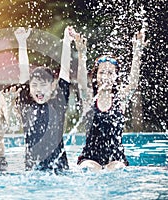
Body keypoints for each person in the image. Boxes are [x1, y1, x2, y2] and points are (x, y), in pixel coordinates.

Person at [75, 29, 148, 171]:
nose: (105, 76)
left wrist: (137, 52)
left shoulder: (120, 99)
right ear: (95, 76)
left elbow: (133, 84)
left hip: (115, 158)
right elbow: (82, 84)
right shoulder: (89, 98)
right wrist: (81, 54)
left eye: (110, 73)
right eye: (101, 72)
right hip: (90, 157)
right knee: (89, 169)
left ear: (116, 77)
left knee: (117, 168)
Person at [8, 26, 76, 172]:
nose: (39, 89)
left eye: (43, 85)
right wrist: (22, 42)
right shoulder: (26, 103)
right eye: (35, 85)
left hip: (60, 168)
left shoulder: (58, 103)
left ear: (52, 86)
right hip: (33, 170)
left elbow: (64, 70)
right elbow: (24, 71)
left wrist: (67, 42)